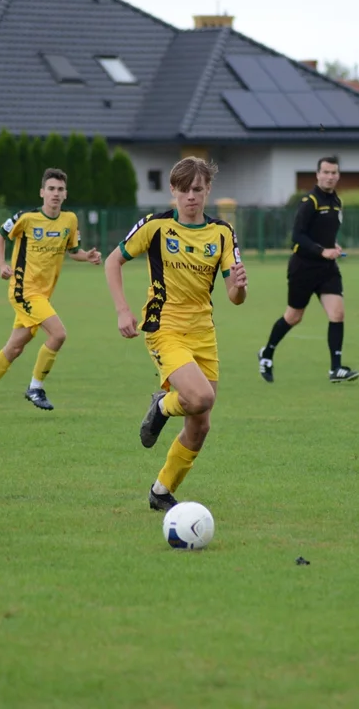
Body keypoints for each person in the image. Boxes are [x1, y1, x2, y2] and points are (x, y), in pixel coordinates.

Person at [104, 156, 248, 512]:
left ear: (208, 190)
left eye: (197, 189)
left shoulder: (222, 233)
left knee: (200, 426)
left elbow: (235, 296)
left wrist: (241, 287)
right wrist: (122, 309)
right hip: (163, 326)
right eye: (183, 190)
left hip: (204, 333)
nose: (190, 197)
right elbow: (113, 261)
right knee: (199, 398)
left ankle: (161, 490)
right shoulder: (156, 226)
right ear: (173, 191)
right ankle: (162, 406)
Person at [0, 168, 102, 418]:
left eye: (60, 190)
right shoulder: (26, 218)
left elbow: (73, 251)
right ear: (42, 192)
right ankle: (35, 387)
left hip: (42, 295)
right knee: (59, 334)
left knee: (14, 348)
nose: (55, 194)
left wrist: (88, 257)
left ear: (65, 194)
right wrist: (1, 265)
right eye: (51, 189)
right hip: (24, 291)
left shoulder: (70, 220)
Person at [257, 155, 359, 384]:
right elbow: (297, 236)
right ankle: (267, 353)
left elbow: (325, 233)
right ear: (318, 174)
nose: (330, 176)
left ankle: (336, 369)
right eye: (326, 172)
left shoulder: (336, 202)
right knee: (293, 317)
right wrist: (321, 250)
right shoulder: (310, 201)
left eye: (334, 172)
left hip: (327, 269)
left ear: (338, 175)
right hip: (303, 268)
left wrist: (332, 247)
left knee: (337, 314)